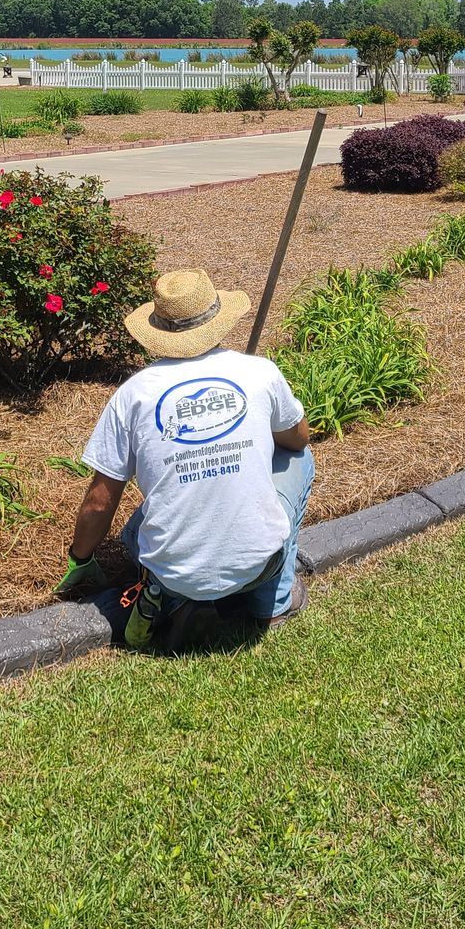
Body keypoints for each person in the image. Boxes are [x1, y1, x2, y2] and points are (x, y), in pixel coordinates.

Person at [56, 268, 315, 650]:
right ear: (218, 319)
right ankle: (272, 604)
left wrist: (81, 559)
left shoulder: (133, 394)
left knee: (142, 523)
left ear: (158, 331)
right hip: (260, 566)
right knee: (300, 458)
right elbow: (299, 438)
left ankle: (174, 596)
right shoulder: (259, 372)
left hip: (169, 573)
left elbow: (100, 498)